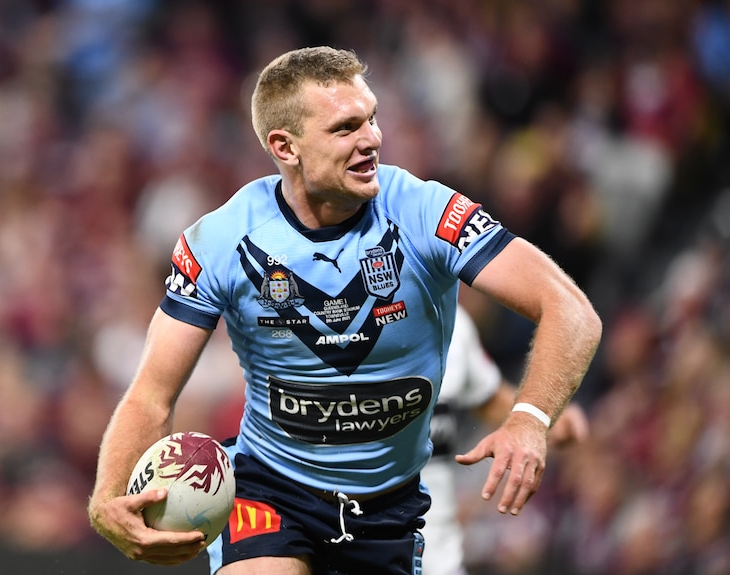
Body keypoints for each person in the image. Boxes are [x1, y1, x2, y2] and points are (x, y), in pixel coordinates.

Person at [87, 46, 602, 575]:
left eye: (373, 118)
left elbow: (571, 310)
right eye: (345, 128)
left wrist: (530, 419)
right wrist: (106, 499)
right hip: (271, 491)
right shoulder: (220, 240)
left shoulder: (427, 213)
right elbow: (151, 393)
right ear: (285, 147)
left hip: (390, 511)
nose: (372, 139)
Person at [423, 303, 590, 575]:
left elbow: (488, 397)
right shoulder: (337, 331)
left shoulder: (453, 324)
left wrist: (544, 419)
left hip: (439, 558)